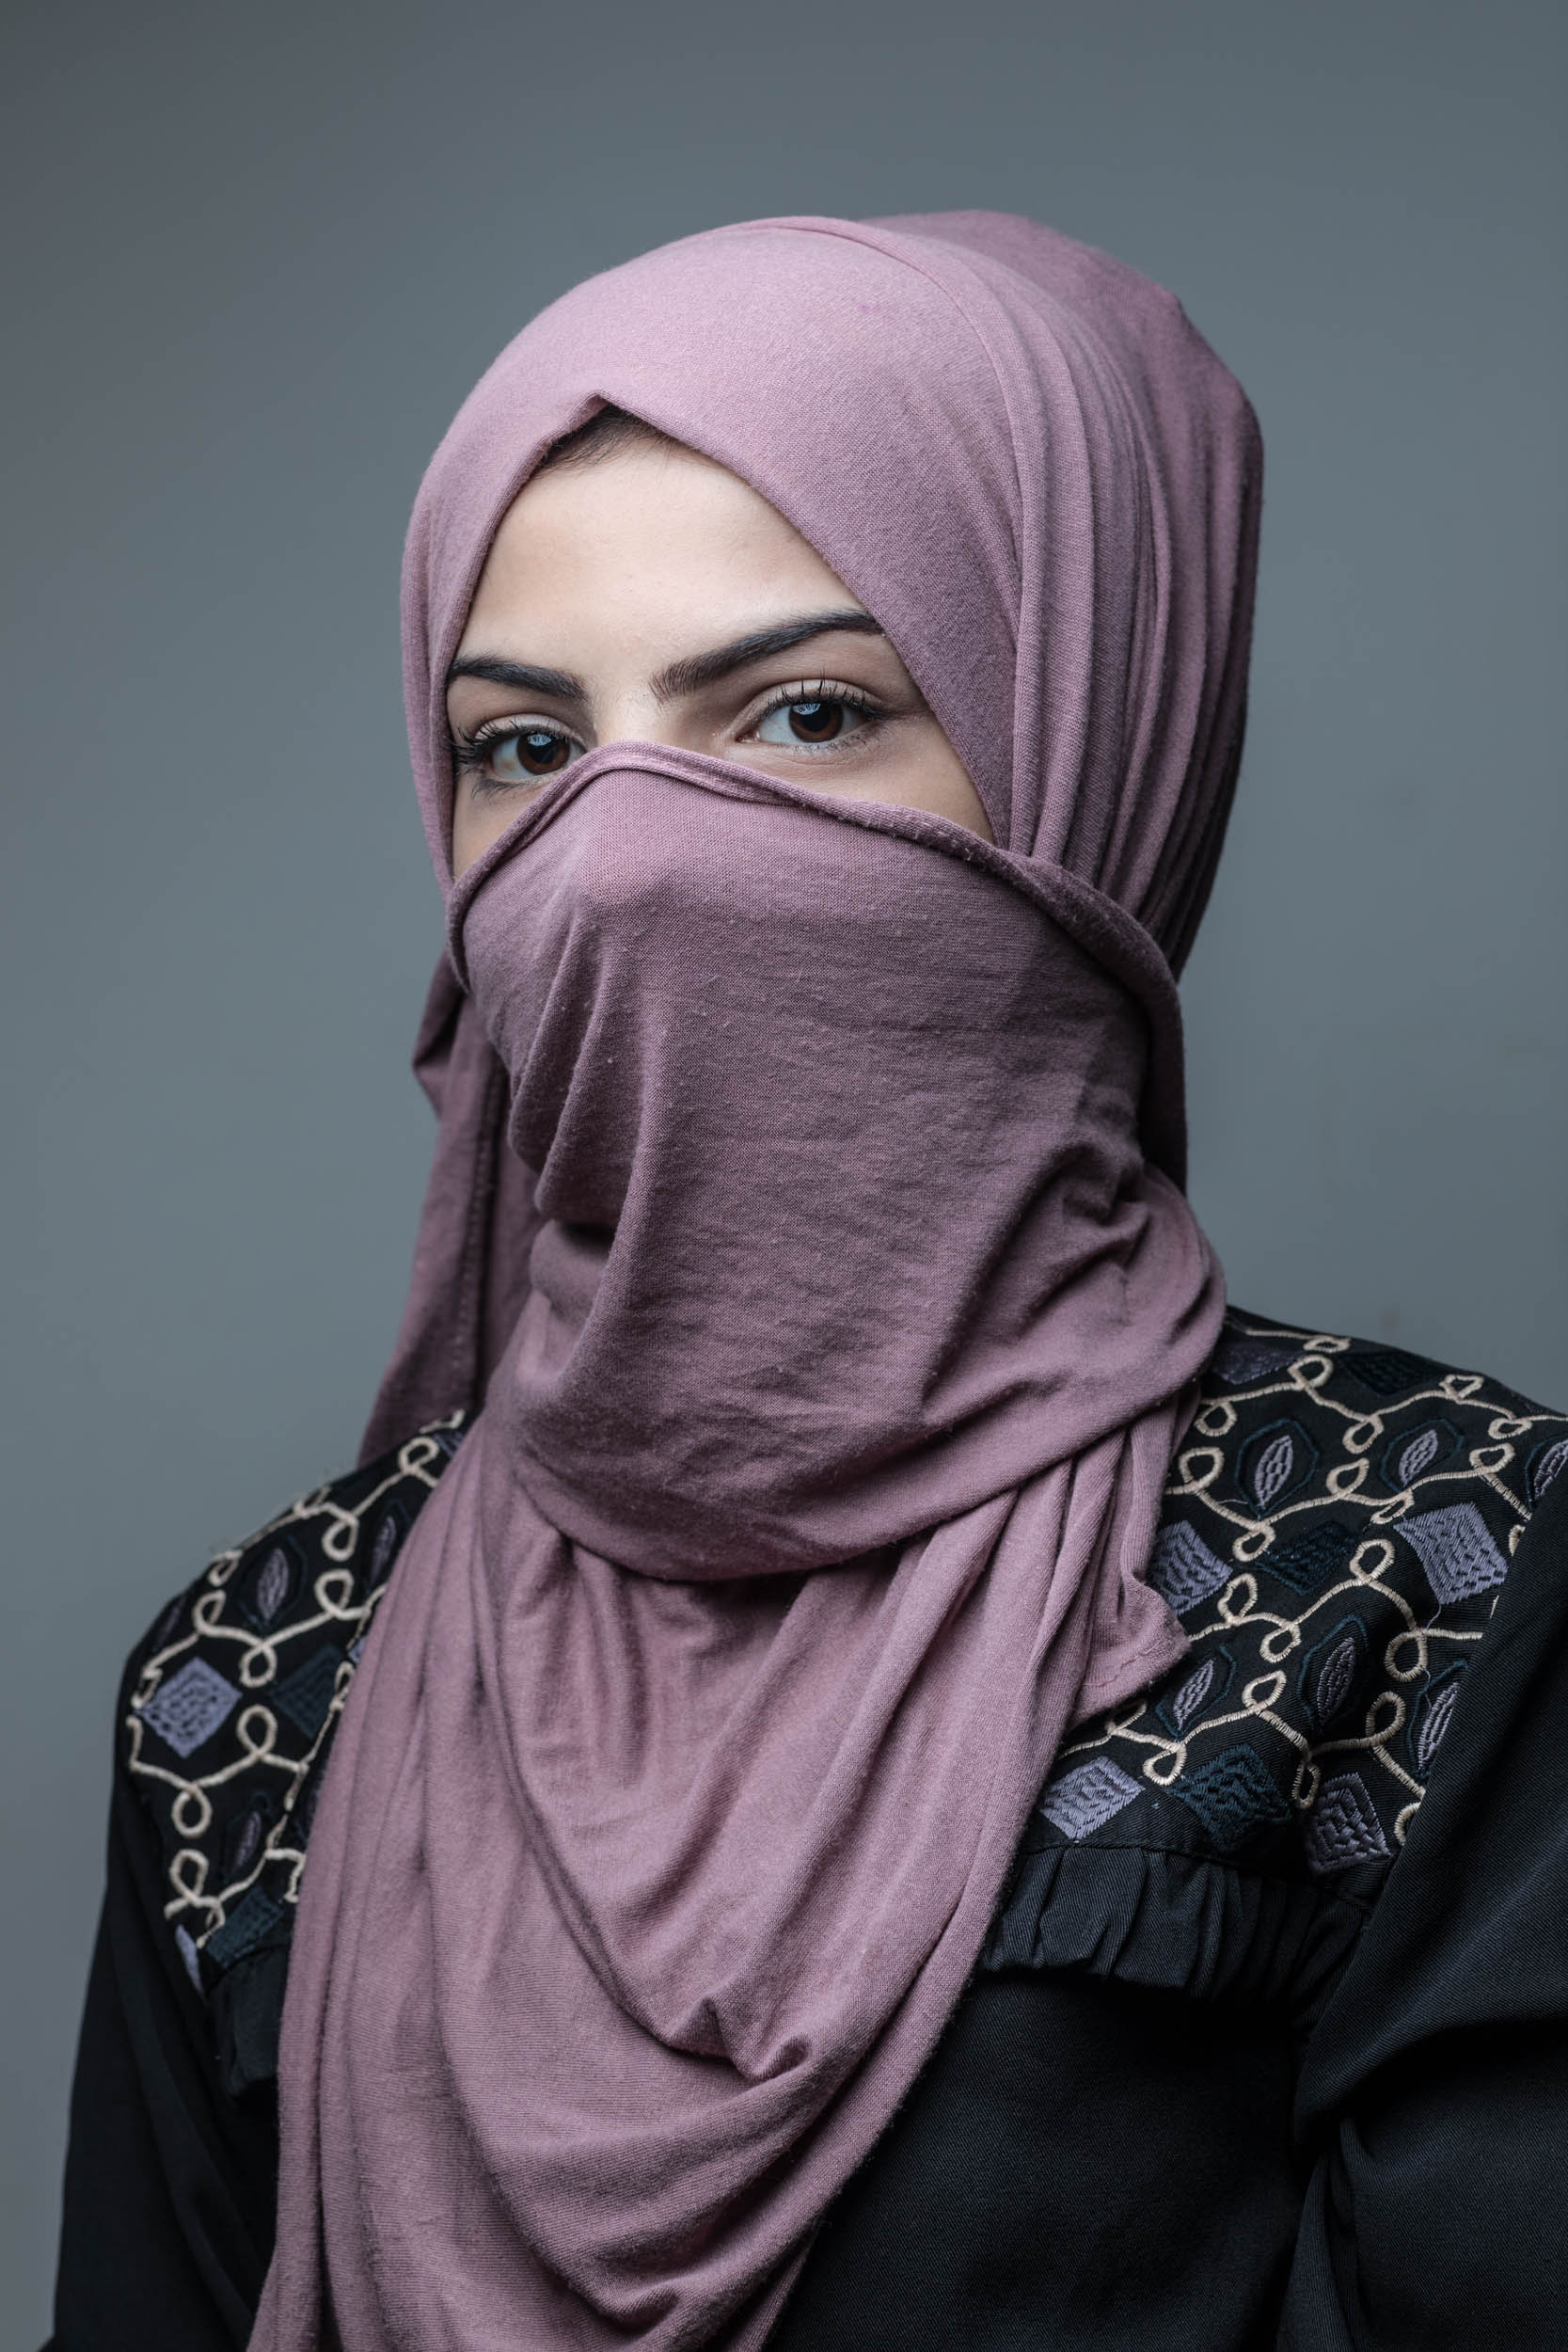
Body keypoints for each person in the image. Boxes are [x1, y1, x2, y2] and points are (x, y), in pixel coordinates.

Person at [49, 211, 1568, 2352]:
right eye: (527, 748)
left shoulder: (1430, 1579)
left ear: (1078, 769)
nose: (632, 854)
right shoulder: (250, 1683)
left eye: (805, 711)